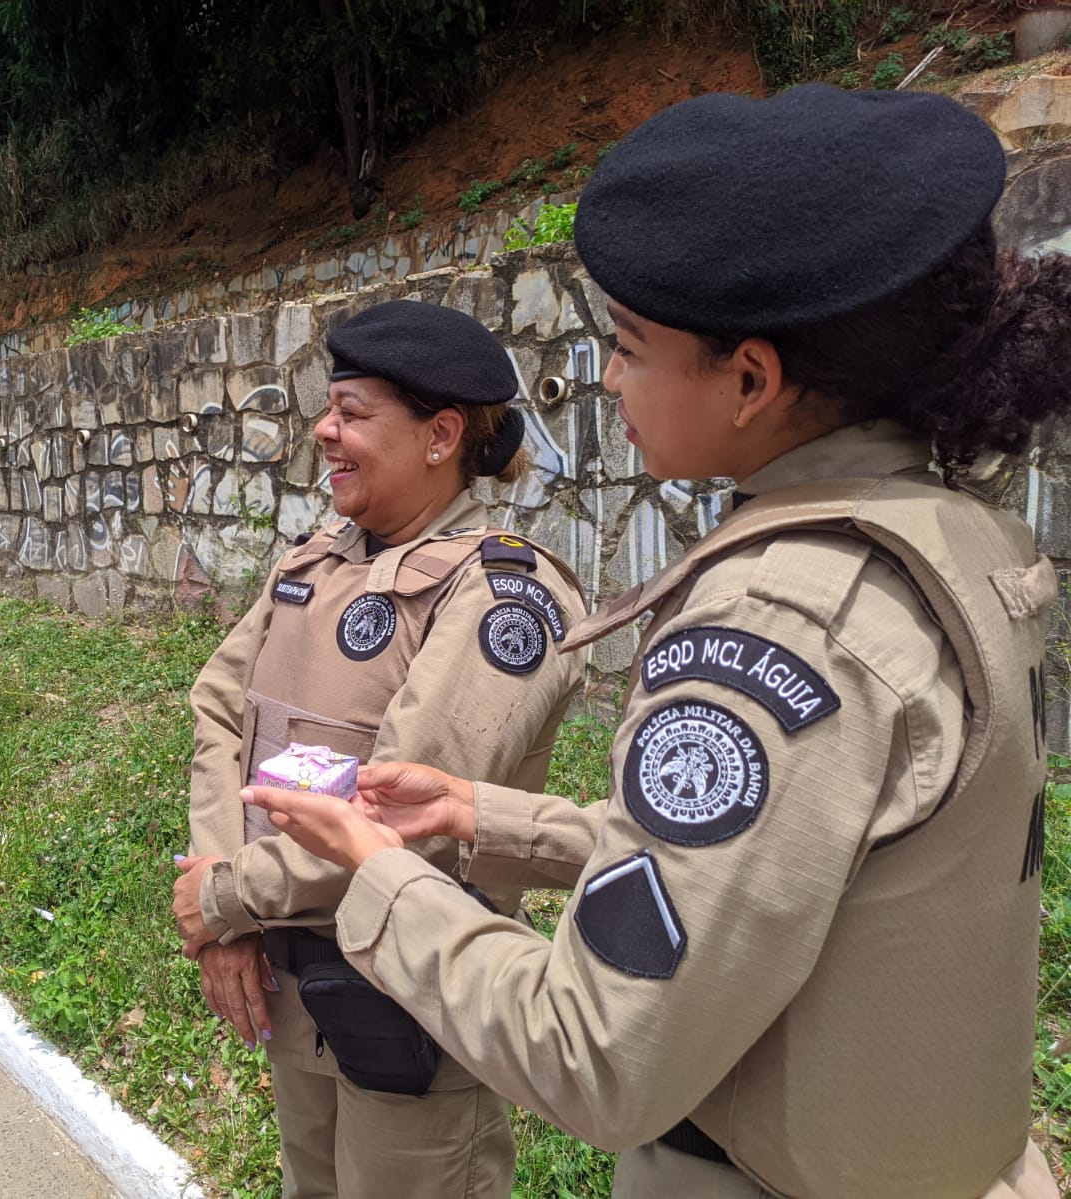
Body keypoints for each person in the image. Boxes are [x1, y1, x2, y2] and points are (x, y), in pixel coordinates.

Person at [240, 85, 1069, 1199]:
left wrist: (376, 866)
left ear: (750, 378)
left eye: (630, 347)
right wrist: (488, 816)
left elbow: (595, 1048)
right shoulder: (950, 534)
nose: (610, 380)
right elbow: (784, 862)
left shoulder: (781, 623)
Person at [173, 300, 588, 1197]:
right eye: (330, 408)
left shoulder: (503, 597)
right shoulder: (313, 563)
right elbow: (219, 709)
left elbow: (402, 822)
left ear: (441, 435)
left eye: (353, 413)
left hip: (409, 1007)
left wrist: (226, 896)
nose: (323, 430)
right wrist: (222, 891)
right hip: (292, 995)